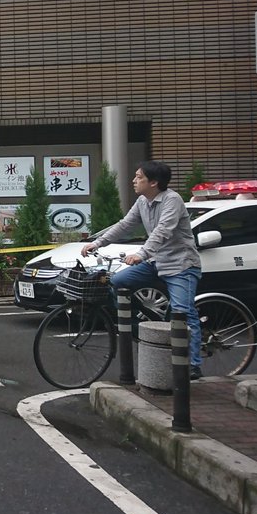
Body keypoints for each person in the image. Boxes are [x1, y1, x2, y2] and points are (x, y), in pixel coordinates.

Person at [81, 160, 204, 378]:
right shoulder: (142, 201)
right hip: (155, 263)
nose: (134, 180)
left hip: (180, 265)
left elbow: (163, 231)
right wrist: (98, 242)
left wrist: (141, 254)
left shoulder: (171, 201)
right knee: (118, 282)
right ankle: (140, 328)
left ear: (154, 182)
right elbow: (124, 225)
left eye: (139, 177)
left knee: (182, 313)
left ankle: (193, 363)